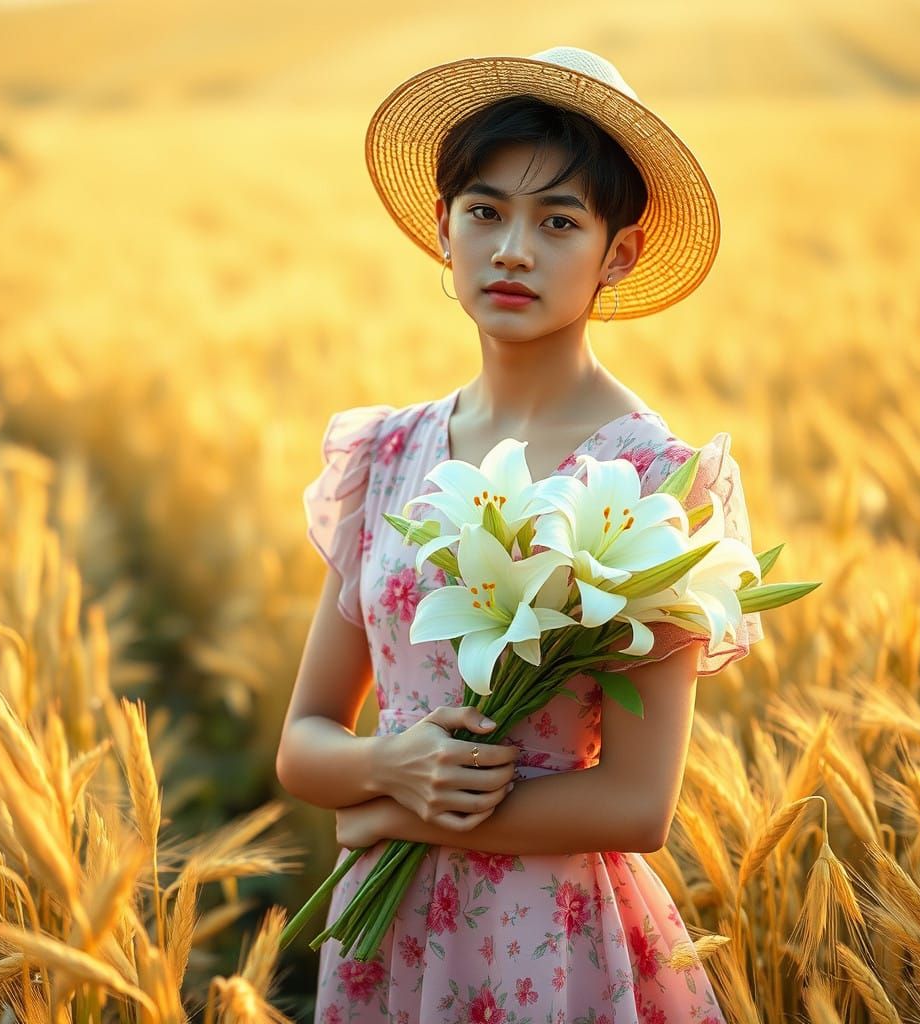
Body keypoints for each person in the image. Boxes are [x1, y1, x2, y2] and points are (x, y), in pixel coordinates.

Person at [277, 45, 764, 1024]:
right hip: (389, 947)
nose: (510, 250)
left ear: (615, 255)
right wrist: (384, 768)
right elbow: (303, 741)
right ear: (442, 229)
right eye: (485, 211)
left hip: (548, 949)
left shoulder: (653, 485)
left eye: (558, 222)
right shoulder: (386, 454)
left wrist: (390, 815)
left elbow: (638, 805)